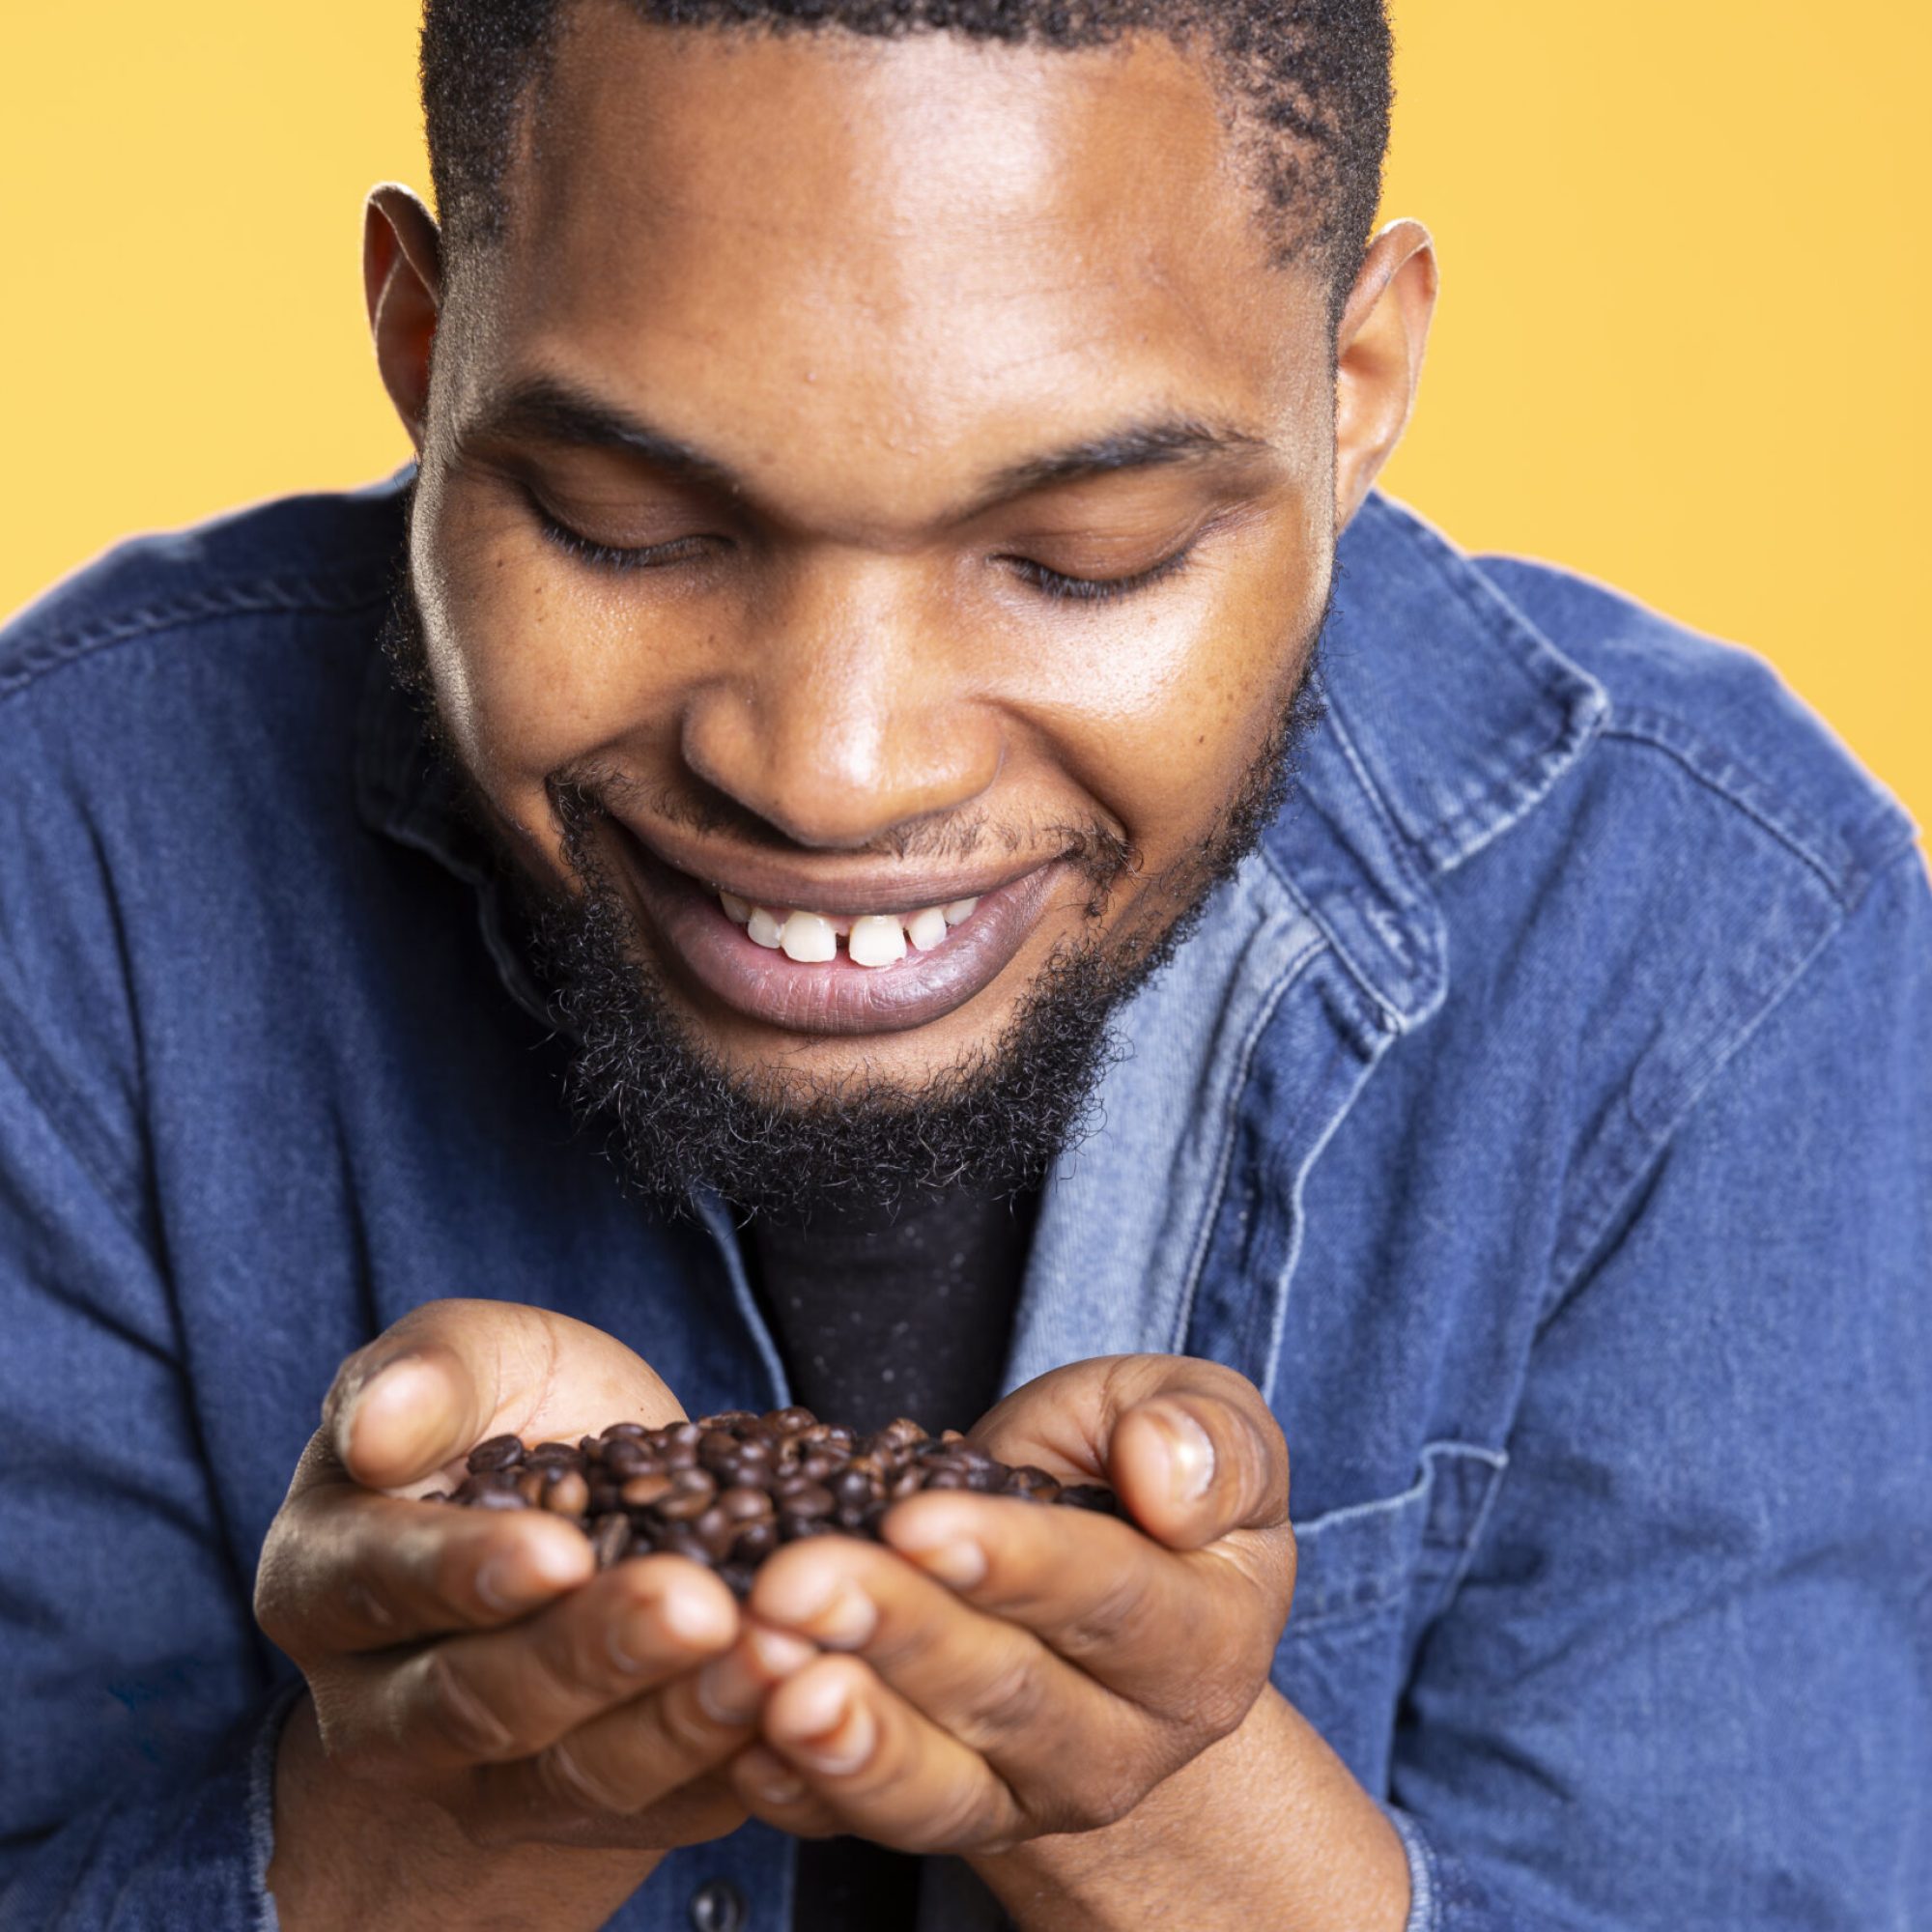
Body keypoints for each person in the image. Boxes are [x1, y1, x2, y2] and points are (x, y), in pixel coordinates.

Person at [2, 3, 1925, 1928]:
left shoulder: (1715, 941)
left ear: (1349, 387)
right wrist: (444, 1825)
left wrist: (1151, 1812)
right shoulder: (71, 846)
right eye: (633, 528)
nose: (830, 769)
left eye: (1077, 555)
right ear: (426, 349)